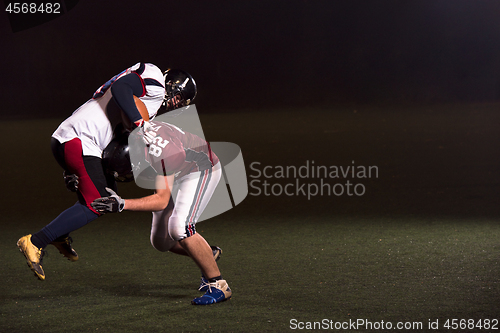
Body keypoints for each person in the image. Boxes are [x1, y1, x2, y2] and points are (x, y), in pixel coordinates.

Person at [17, 62, 197, 281]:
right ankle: (36, 241)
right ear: (172, 86)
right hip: (80, 139)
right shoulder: (155, 80)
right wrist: (140, 123)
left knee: (106, 197)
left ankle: (60, 234)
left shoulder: (149, 100)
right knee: (97, 202)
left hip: (84, 140)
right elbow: (122, 87)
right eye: (179, 98)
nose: (175, 105)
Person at [90, 120, 232, 305]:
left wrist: (122, 204)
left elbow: (161, 200)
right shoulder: (125, 139)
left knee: (180, 228)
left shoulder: (162, 153)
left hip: (198, 169)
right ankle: (206, 253)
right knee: (162, 242)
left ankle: (218, 285)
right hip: (173, 170)